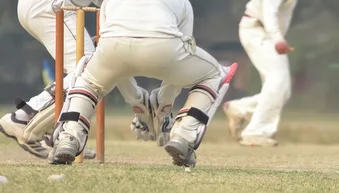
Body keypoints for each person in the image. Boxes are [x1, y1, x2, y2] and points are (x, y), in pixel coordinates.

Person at [48, 0, 237, 168]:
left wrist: (137, 102)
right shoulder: (184, 4)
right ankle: (184, 134)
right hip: (163, 46)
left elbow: (115, 65)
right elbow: (179, 64)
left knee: (88, 81)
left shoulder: (107, 3)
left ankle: (69, 137)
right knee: (216, 74)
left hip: (113, 46)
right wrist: (164, 108)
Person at [0, 0, 173, 161]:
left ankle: (46, 129)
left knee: (89, 72)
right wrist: (139, 104)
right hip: (49, 7)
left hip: (41, 6)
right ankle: (23, 120)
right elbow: (114, 55)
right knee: (92, 75)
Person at [222, 0, 297, 147]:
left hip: (262, 31)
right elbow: (269, 8)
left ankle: (240, 108)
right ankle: (255, 133)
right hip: (259, 30)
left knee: (282, 90)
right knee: (277, 81)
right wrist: (277, 38)